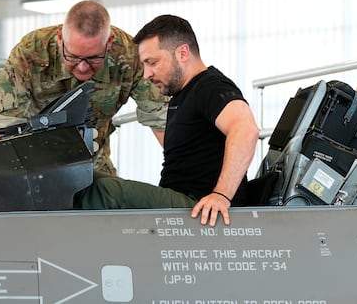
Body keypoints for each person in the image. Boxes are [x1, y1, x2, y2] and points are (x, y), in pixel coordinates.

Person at [74, 14, 260, 226]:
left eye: (152, 63)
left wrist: (221, 195)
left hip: (199, 206)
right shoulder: (181, 96)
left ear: (182, 53)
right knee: (87, 179)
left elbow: (246, 130)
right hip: (179, 197)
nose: (147, 74)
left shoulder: (210, 86)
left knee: (104, 191)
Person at [0, 0, 167, 174]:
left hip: (94, 163)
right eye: (74, 57)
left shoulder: (129, 55)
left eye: (93, 58)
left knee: (116, 198)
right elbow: (2, 129)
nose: (83, 67)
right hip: (34, 162)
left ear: (109, 42)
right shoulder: (31, 52)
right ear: (60, 39)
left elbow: (161, 121)